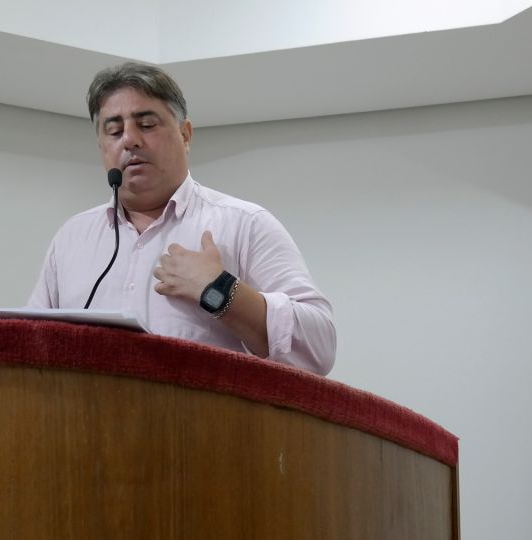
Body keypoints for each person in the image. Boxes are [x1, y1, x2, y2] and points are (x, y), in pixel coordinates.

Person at [28, 62, 335, 376]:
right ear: (101, 146)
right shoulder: (71, 238)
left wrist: (221, 291)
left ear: (185, 135)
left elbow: (319, 348)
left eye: (147, 124)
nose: (130, 140)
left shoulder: (246, 224)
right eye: (115, 131)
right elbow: (28, 346)